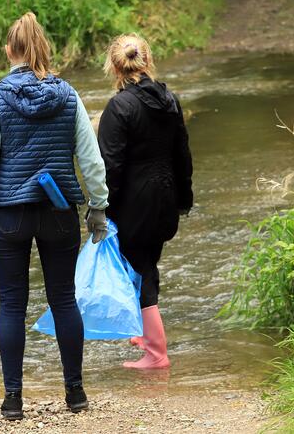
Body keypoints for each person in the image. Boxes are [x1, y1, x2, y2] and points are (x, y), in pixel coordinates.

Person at [0, 12, 109, 420]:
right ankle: (75, 394)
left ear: (9, 51)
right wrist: (98, 206)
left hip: (9, 215)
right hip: (58, 214)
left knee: (11, 305)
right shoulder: (70, 96)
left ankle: (13, 400)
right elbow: (91, 161)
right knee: (63, 300)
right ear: (45, 50)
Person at [98, 34, 193, 370]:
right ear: (147, 60)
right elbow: (182, 154)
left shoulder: (119, 107)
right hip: (166, 197)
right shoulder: (170, 100)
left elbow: (110, 167)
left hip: (134, 203)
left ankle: (156, 353)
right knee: (147, 264)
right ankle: (146, 333)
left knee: (140, 270)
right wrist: (184, 197)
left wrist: (100, 210)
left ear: (113, 65)